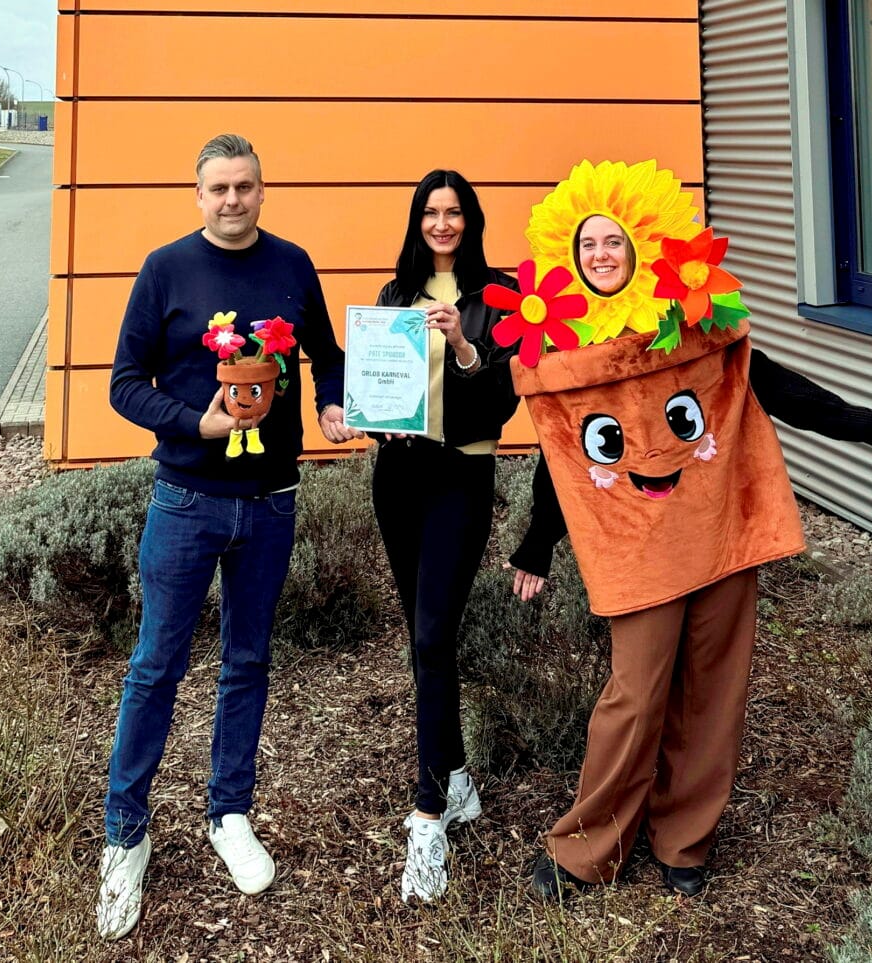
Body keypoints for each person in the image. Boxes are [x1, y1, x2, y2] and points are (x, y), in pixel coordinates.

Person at [506, 205, 872, 901]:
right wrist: (536, 544)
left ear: (639, 251)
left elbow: (776, 386)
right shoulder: (563, 344)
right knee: (635, 697)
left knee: (712, 690)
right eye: (589, 245)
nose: (602, 254)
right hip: (638, 552)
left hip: (716, 532)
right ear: (571, 259)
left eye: (614, 241)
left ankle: (684, 838)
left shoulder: (691, 325)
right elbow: (565, 457)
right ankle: (588, 847)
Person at [97, 133, 363, 940]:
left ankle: (230, 812)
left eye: (244, 185)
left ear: (262, 189)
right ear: (199, 194)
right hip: (186, 499)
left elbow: (328, 356)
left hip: (272, 500)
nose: (232, 199)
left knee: (247, 660)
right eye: (218, 188)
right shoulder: (165, 270)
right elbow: (124, 385)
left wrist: (330, 402)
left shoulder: (293, 264)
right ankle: (125, 835)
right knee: (156, 665)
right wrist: (196, 423)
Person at [371, 169, 520, 902]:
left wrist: (462, 344)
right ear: (416, 221)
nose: (441, 224)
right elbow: (381, 388)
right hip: (399, 478)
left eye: (453, 212)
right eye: (430, 212)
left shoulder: (500, 295)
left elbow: (501, 402)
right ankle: (456, 778)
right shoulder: (394, 294)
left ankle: (428, 816)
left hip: (461, 476)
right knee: (425, 639)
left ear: (471, 220)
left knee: (433, 636)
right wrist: (366, 417)